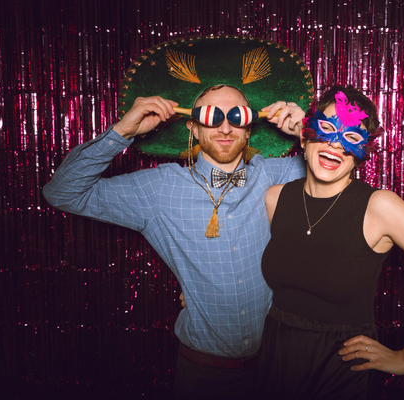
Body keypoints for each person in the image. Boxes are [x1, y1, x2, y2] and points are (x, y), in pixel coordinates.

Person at [42, 36, 314, 399]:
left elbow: (343, 185)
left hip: (278, 370)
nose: (225, 126)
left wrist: (309, 134)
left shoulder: (276, 175)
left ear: (250, 127)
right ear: (193, 127)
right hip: (205, 378)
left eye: (237, 116)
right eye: (210, 116)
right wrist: (121, 131)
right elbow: (62, 193)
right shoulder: (157, 191)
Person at [256, 85, 404, 399]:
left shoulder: (381, 208)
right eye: (327, 129)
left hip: (339, 371)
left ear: (363, 152)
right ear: (304, 136)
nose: (336, 145)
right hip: (274, 359)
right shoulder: (275, 198)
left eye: (352, 137)